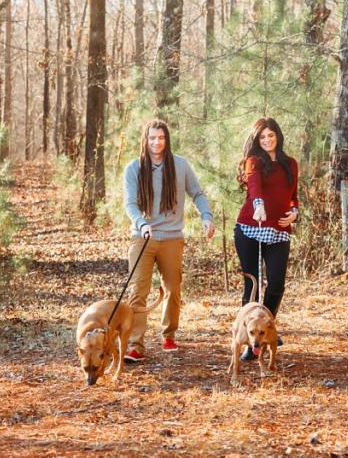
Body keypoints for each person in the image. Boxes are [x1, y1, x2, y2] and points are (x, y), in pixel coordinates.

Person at [122, 119, 215, 362]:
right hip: (142, 236)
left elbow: (197, 193)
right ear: (146, 139)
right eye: (152, 138)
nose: (156, 142)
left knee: (173, 289)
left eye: (161, 138)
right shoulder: (134, 168)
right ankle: (135, 345)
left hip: (172, 237)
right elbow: (130, 204)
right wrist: (142, 223)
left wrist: (206, 216)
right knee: (138, 290)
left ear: (167, 139)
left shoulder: (180, 166)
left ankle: (169, 335)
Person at [234, 117, 299, 361]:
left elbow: (294, 196)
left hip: (279, 230)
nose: (267, 140)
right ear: (257, 140)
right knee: (252, 284)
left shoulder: (290, 164)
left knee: (276, 283)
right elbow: (254, 186)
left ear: (278, 136)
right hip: (251, 228)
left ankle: (266, 329)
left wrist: (294, 212)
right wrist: (258, 205)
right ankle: (249, 339)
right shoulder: (255, 162)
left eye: (271, 136)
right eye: (262, 137)